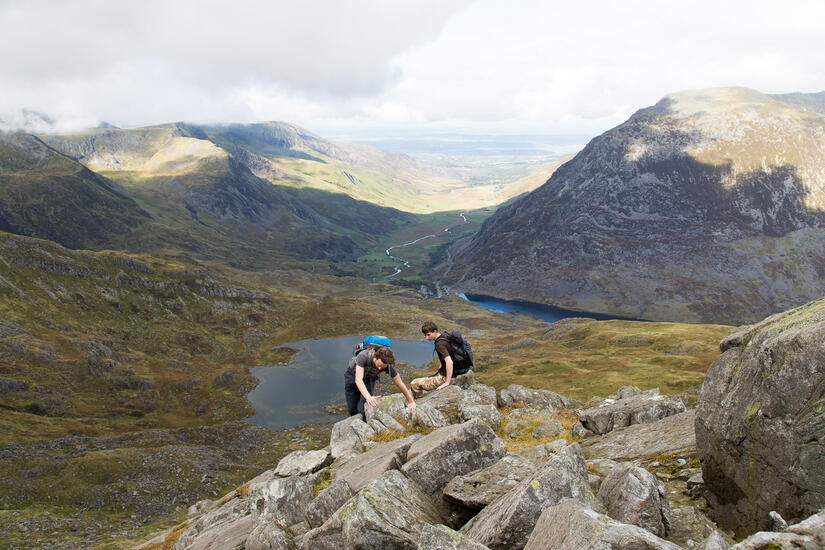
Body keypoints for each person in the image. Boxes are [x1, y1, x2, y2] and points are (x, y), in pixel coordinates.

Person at [344, 345, 416, 420]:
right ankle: (354, 421)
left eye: (382, 367)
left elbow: (399, 383)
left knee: (364, 408)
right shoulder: (364, 356)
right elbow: (358, 380)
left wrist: (411, 401)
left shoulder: (388, 366)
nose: (379, 368)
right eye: (378, 365)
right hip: (352, 376)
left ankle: (366, 425)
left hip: (369, 379)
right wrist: (368, 397)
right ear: (376, 357)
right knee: (351, 409)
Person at [411, 321, 454, 398]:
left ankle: (419, 401)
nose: (427, 338)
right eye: (425, 336)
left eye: (428, 335)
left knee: (414, 384)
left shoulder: (439, 344)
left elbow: (449, 362)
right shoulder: (445, 336)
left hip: (446, 377)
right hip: (456, 372)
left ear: (435, 331)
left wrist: (447, 382)